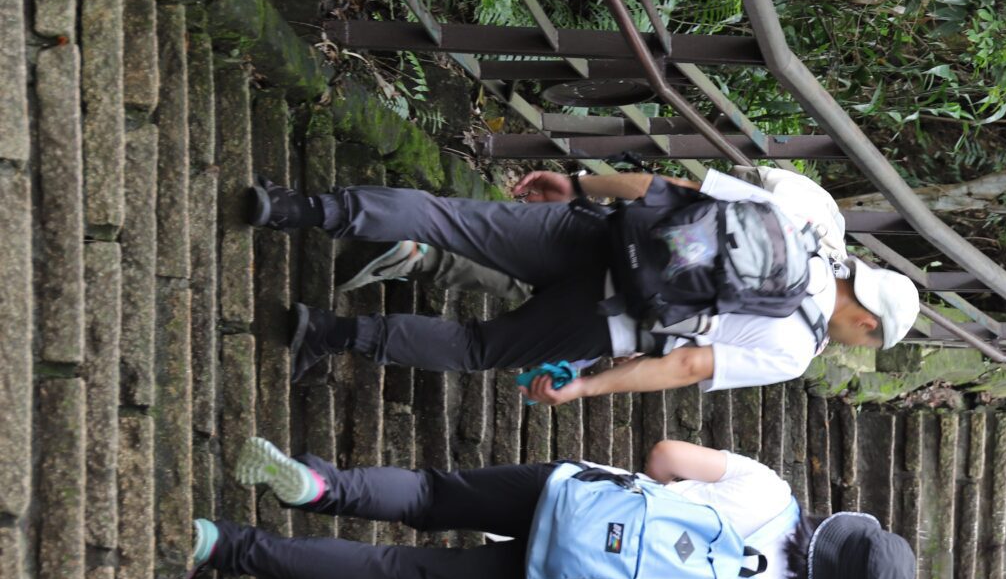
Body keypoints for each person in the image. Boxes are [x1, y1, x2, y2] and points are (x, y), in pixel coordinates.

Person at [191, 437, 915, 579]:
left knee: (428, 492)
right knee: (399, 575)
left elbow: (665, 454)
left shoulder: (771, 491)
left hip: (577, 496)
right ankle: (226, 545)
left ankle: (319, 486)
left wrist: (642, 495)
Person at [242, 164, 921, 398]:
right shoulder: (795, 350)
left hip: (602, 234)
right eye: (867, 343)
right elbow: (686, 363)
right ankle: (327, 332)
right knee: (479, 348)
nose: (857, 348)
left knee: (453, 220)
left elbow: (673, 187)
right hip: (609, 317)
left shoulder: (806, 215)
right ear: (866, 321)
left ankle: (293, 208)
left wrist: (577, 184)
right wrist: (590, 382)